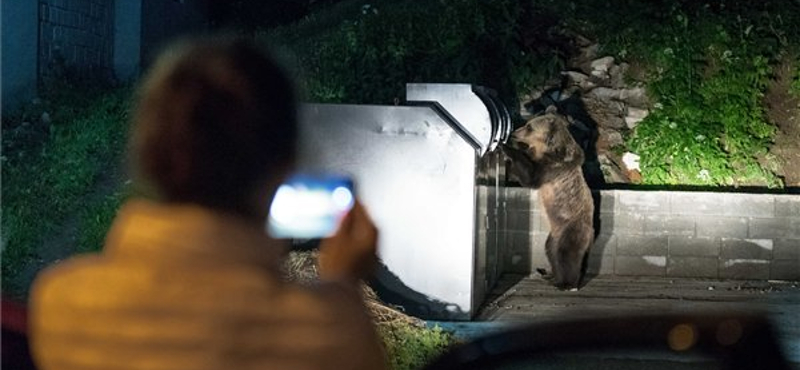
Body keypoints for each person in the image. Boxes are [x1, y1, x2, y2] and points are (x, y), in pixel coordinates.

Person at [29, 36, 388, 370]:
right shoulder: (332, 333)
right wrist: (343, 284)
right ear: (285, 166)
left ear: (150, 154)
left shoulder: (59, 302)